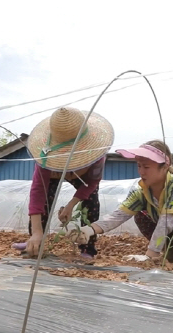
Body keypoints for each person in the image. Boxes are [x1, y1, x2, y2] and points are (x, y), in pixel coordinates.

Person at [79, 140, 173, 269]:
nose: (141, 171)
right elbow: (118, 215)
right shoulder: (142, 191)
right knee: (141, 215)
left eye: (147, 167)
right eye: (139, 166)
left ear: (164, 166)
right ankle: (172, 255)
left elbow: (167, 220)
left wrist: (151, 254)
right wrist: (89, 230)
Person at [24, 106, 114, 258]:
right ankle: (35, 242)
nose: (68, 165)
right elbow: (38, 191)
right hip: (53, 175)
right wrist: (37, 231)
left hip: (84, 180)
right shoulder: (46, 157)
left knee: (91, 202)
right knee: (45, 202)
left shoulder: (96, 158)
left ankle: (87, 248)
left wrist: (71, 205)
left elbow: (92, 184)